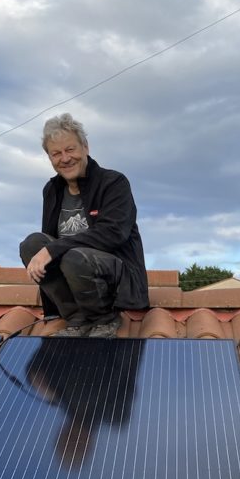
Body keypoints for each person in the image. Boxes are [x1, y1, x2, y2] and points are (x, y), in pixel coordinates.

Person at [19, 114, 149, 338]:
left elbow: (113, 234)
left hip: (114, 281)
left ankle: (104, 318)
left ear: (85, 147)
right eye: (56, 153)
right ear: (49, 158)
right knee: (32, 245)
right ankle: (75, 317)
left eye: (70, 149)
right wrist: (47, 250)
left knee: (73, 256)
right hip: (75, 281)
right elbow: (48, 240)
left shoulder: (114, 183)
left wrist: (53, 249)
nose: (65, 158)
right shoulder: (51, 190)